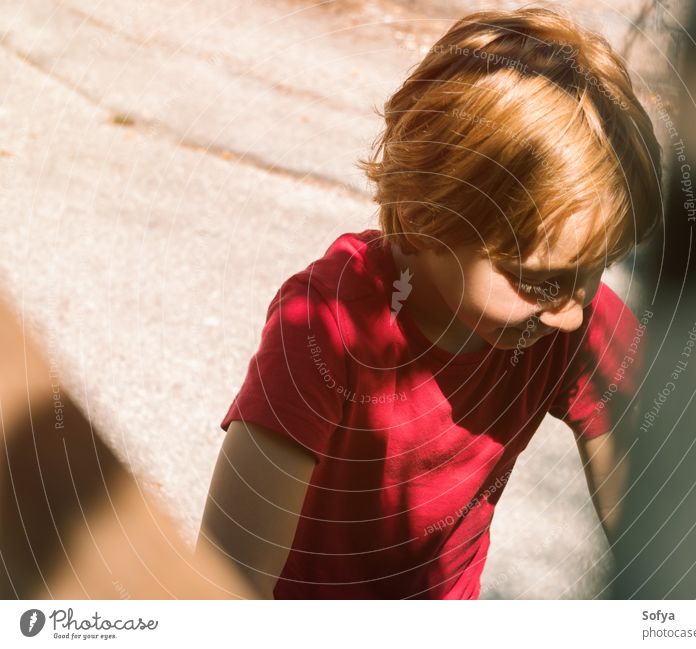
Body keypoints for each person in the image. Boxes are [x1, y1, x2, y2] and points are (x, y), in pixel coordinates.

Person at [196, 6, 662, 599]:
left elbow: (661, 527)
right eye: (538, 280)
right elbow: (222, 588)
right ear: (425, 218)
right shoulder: (323, 331)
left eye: (596, 270)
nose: (574, 311)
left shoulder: (564, 322)